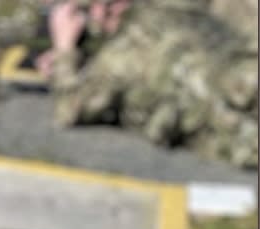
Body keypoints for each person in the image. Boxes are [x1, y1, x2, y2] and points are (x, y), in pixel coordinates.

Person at [36, 0, 258, 169]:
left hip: (234, 134)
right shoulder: (168, 14)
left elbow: (68, 110)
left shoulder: (120, 57)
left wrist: (64, 50)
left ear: (103, 10)